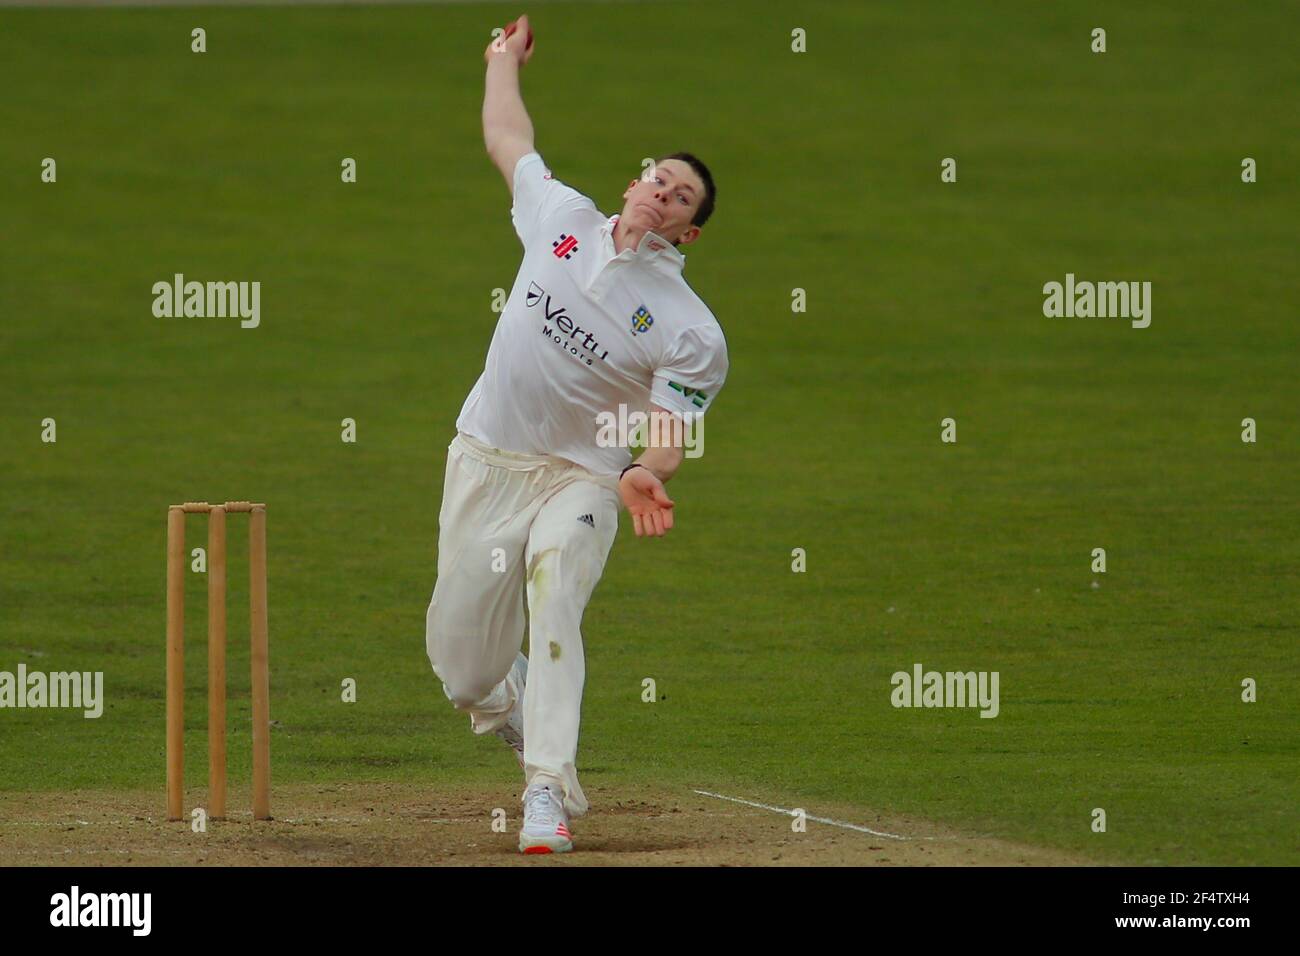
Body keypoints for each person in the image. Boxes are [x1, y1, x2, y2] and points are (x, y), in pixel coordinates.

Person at [424, 14, 728, 855]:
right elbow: (505, 135)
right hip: (487, 456)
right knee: (462, 671)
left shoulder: (689, 328)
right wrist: (498, 60)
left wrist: (644, 469)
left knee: (557, 589)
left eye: (682, 197)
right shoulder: (559, 216)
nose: (662, 193)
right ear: (636, 183)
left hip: (585, 476)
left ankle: (546, 792)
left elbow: (669, 429)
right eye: (659, 179)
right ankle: (506, 706)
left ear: (688, 231)